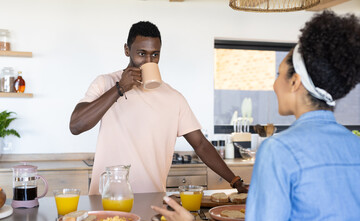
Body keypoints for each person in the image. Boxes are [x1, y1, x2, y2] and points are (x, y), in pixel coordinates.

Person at [152, 11, 360, 221]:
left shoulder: (279, 150)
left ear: (295, 81)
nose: (273, 84)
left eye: (278, 74)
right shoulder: (355, 145)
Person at [69, 21, 247, 194]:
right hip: (107, 200)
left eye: (155, 55)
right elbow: (76, 125)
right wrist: (119, 89)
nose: (149, 61)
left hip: (151, 199)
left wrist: (235, 181)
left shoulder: (174, 98)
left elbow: (200, 144)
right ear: (126, 50)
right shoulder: (105, 83)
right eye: (141, 53)